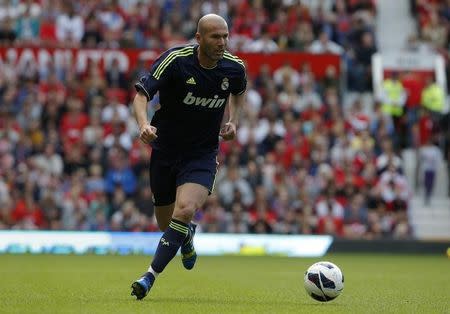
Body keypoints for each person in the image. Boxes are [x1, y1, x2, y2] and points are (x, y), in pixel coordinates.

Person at [130, 14, 247, 300]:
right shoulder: (175, 61)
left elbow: (239, 93)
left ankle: (149, 276)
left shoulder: (234, 68)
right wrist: (143, 125)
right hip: (165, 151)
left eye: (225, 36)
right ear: (199, 38)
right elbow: (141, 95)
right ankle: (187, 236)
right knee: (166, 223)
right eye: (215, 37)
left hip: (202, 154)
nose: (222, 43)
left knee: (184, 210)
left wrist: (234, 120)